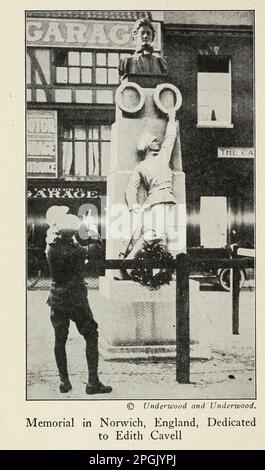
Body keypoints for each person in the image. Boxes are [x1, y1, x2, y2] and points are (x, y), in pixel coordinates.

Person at [45, 208, 112, 395]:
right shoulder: (74, 250)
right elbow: (97, 248)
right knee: (91, 334)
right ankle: (92, 382)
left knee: (60, 339)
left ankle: (64, 382)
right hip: (75, 299)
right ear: (73, 233)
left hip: (56, 297)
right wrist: (92, 229)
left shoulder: (51, 246)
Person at [124, 109, 178, 260]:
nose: (158, 141)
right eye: (154, 140)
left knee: (162, 237)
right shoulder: (148, 164)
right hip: (158, 201)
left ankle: (164, 272)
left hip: (166, 200)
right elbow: (130, 190)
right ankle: (128, 262)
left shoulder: (159, 159)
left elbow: (170, 138)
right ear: (147, 145)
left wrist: (172, 118)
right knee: (154, 235)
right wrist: (134, 209)